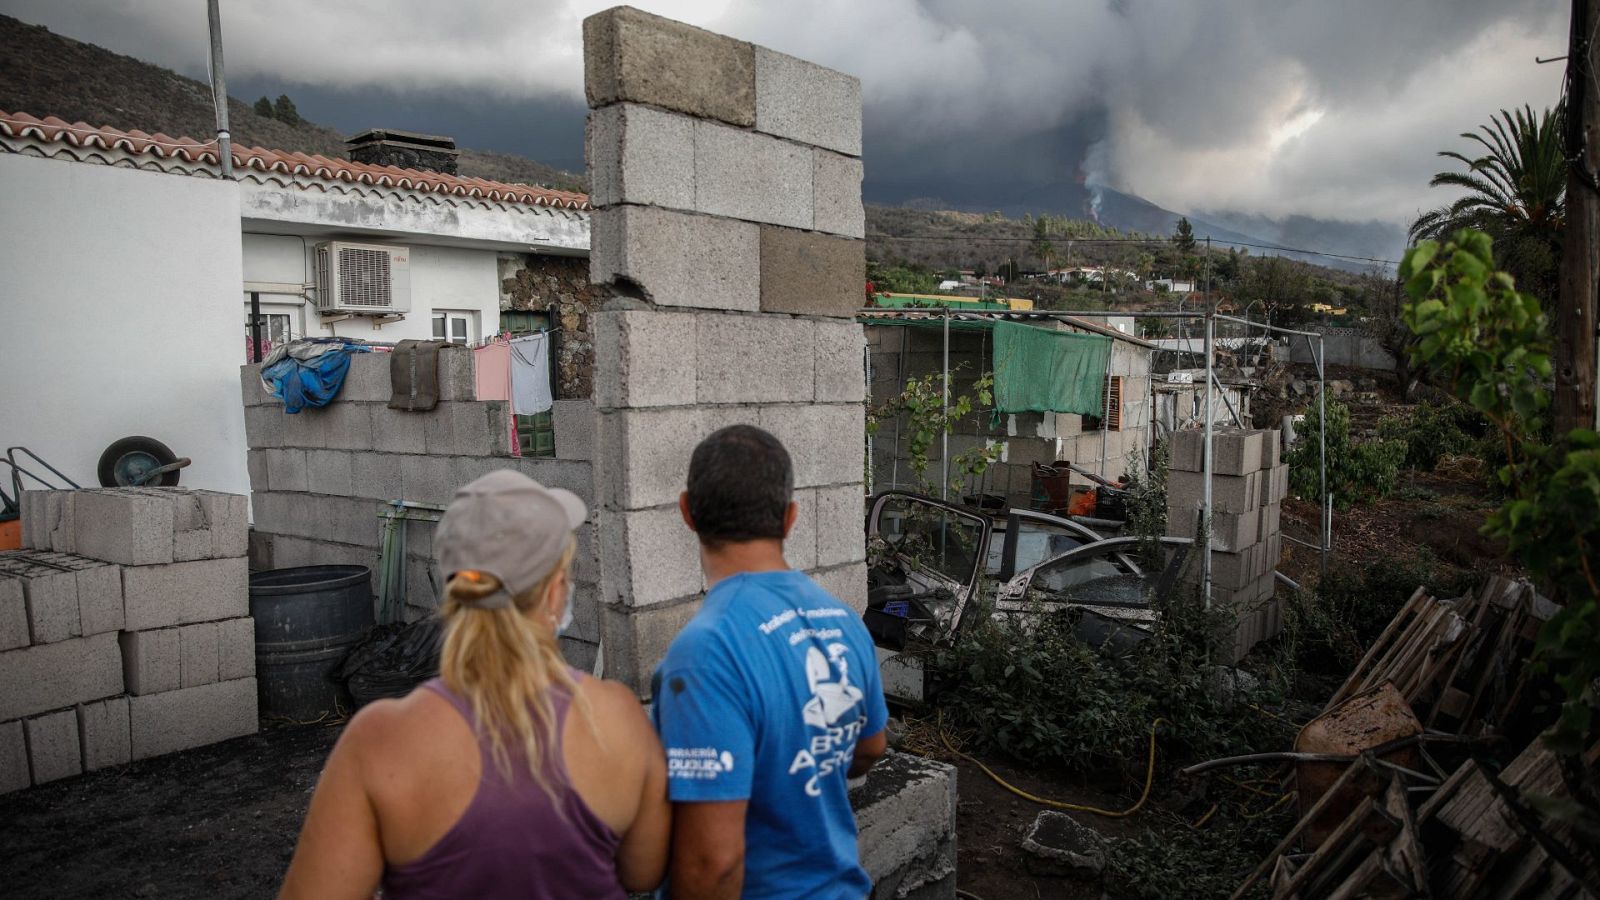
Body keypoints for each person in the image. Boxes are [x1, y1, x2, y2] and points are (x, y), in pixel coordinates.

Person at [279, 470, 670, 899]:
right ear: (556, 593)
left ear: (454, 592)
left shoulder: (379, 740)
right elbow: (643, 872)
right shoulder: (617, 717)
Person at [652, 425, 889, 899]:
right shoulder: (842, 620)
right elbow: (871, 748)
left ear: (687, 512)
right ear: (790, 518)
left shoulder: (705, 652)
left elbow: (713, 865)